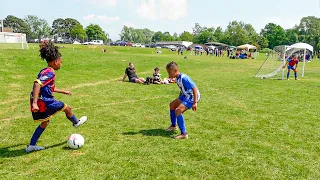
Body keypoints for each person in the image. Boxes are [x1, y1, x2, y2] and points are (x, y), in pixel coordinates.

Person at [27, 42, 87, 153]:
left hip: (41, 102)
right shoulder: (50, 72)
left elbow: (47, 87)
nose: (61, 64)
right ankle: (76, 123)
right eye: (60, 62)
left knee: (45, 122)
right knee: (66, 107)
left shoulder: (44, 70)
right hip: (44, 102)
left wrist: (63, 91)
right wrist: (35, 103)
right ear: (55, 62)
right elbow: (37, 83)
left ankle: (31, 145)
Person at [165, 62, 200, 139]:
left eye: (169, 72)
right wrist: (179, 99)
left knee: (178, 110)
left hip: (192, 96)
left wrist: (195, 102)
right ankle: (174, 126)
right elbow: (182, 89)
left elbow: (194, 89)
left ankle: (184, 134)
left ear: (175, 70)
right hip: (185, 95)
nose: (169, 74)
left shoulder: (184, 78)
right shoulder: (177, 78)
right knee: (172, 105)